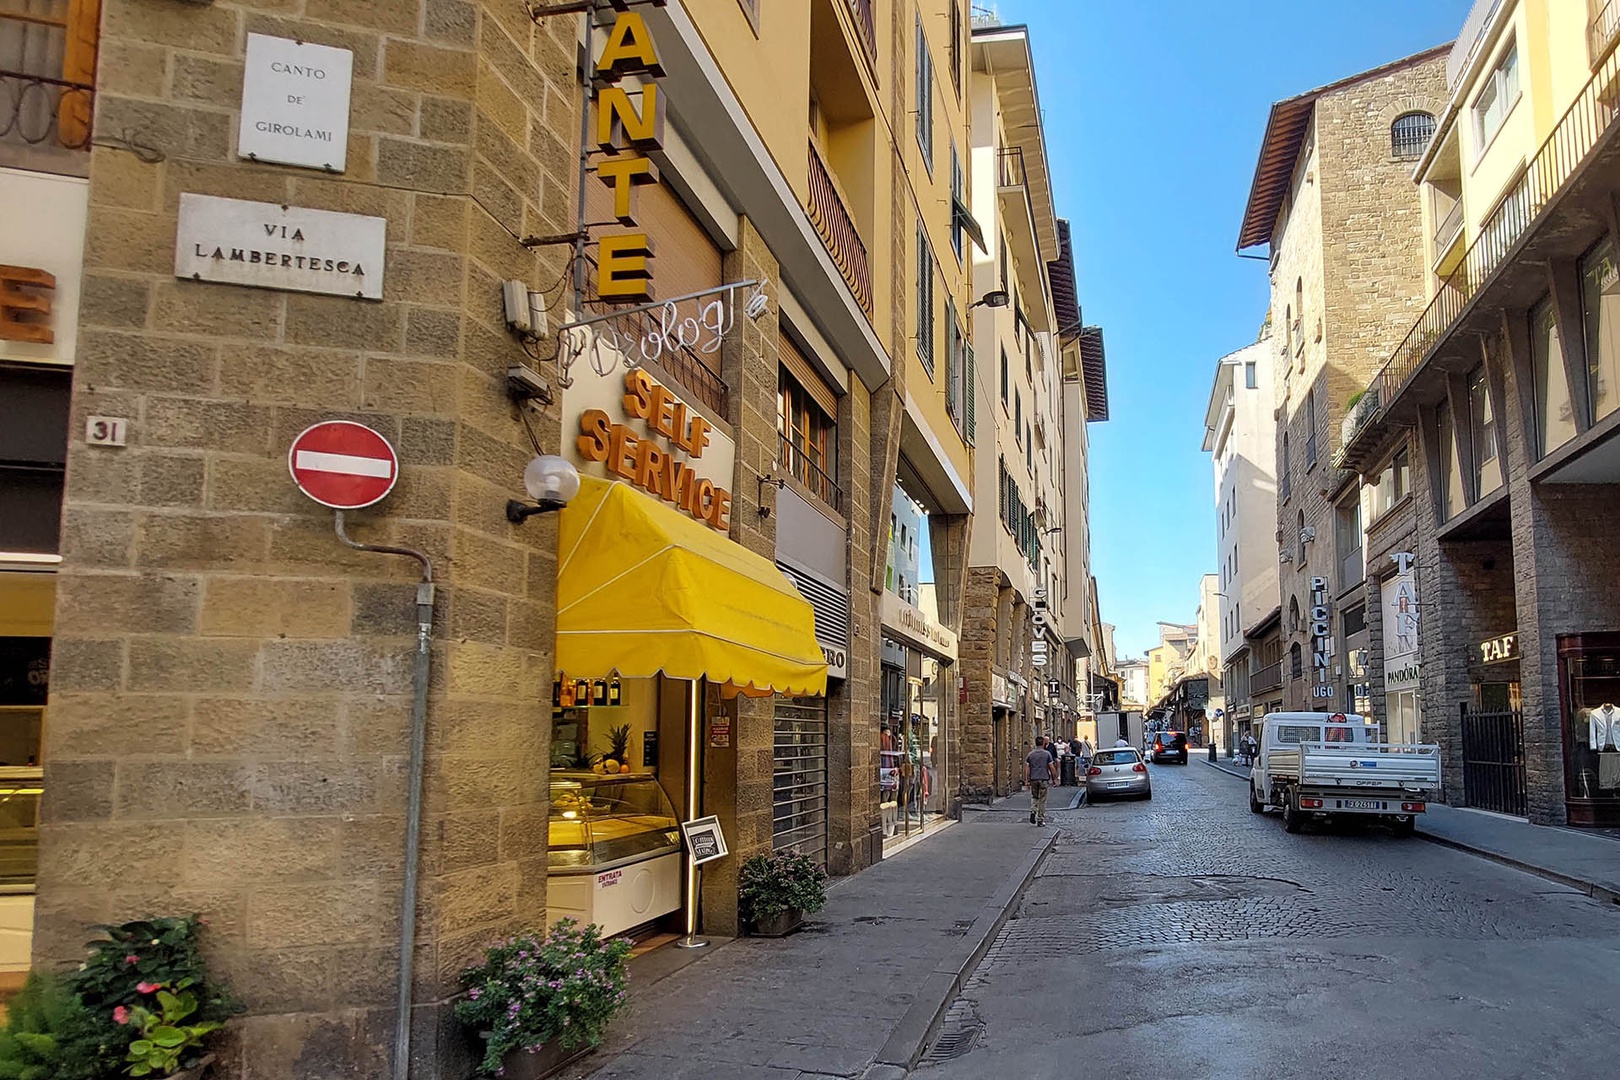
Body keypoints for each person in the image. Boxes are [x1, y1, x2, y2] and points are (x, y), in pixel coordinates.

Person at [1024, 736, 1057, 826]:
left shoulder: (1030, 754)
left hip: (1033, 779)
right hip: (1043, 778)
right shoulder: (1047, 754)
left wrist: (1027, 781)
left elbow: (1027, 768)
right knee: (1042, 799)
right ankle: (1040, 819)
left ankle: (1033, 811)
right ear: (1043, 743)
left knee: (1034, 796)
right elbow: (1052, 767)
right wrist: (1055, 779)